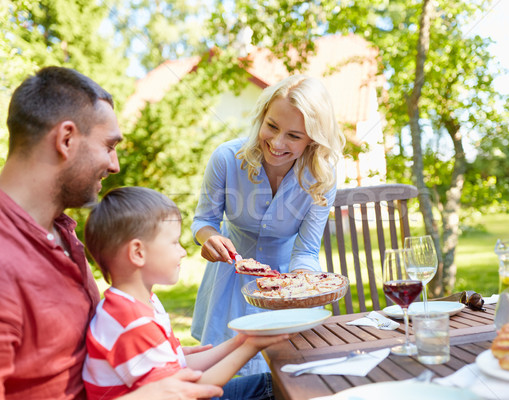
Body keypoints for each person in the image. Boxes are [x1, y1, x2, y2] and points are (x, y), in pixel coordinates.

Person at [0, 66, 222, 399]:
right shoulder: (6, 258)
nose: (115, 164)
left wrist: (171, 359)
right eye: (109, 146)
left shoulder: (62, 232)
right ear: (66, 139)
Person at [191, 74, 345, 374]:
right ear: (262, 117)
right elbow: (203, 221)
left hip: (288, 286)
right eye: (272, 126)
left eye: (294, 136)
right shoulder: (226, 158)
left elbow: (307, 251)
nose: (276, 143)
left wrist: (299, 289)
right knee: (226, 379)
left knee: (287, 377)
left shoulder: (322, 177)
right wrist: (207, 239)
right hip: (229, 283)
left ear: (313, 139)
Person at [82, 186, 287, 399]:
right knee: (280, 389)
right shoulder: (131, 322)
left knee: (276, 384)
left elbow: (178, 366)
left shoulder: (143, 302)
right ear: (138, 252)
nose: (183, 251)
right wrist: (251, 347)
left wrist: (240, 341)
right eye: (174, 242)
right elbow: (188, 390)